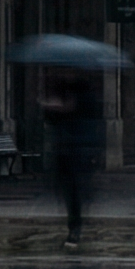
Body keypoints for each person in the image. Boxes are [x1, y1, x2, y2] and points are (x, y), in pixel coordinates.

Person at [42, 70, 105, 245]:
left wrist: (59, 107)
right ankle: (75, 222)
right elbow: (53, 120)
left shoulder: (85, 96)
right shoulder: (64, 92)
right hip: (67, 150)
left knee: (74, 190)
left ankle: (75, 227)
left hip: (78, 149)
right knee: (70, 190)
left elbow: (80, 113)